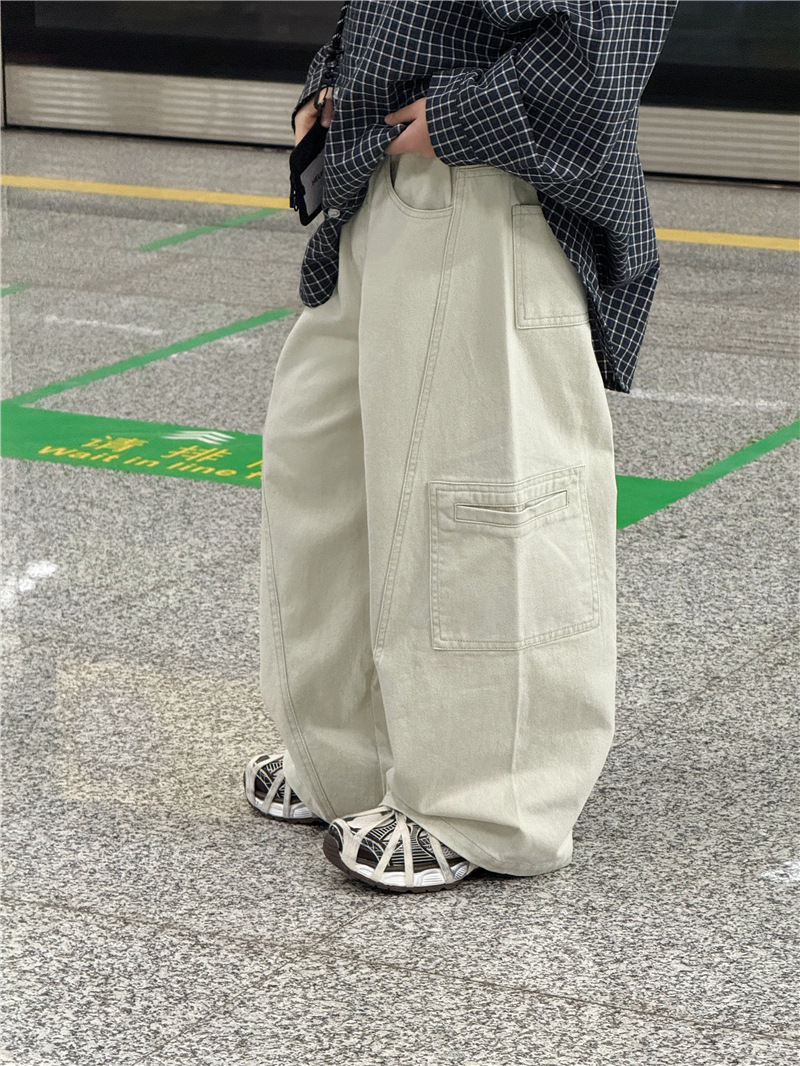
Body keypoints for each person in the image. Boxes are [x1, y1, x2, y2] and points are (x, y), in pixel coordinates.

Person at [243, 0, 678, 894]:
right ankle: (350, 760)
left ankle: (487, 802)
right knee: (322, 473)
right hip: (381, 179)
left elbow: (608, 31)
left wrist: (461, 115)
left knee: (478, 492)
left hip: (487, 183)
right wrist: (334, 79)